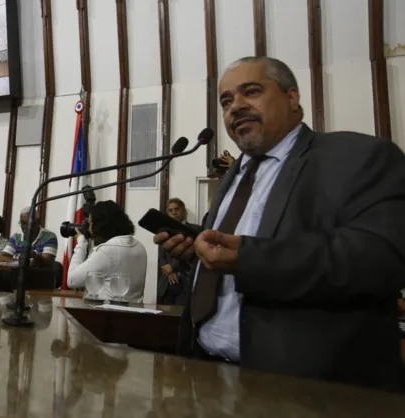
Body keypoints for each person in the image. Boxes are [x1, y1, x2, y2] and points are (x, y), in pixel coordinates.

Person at [155, 56, 405, 391]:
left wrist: (248, 259)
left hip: (303, 391)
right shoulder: (234, 175)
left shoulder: (359, 157)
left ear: (292, 97)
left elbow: (379, 259)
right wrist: (197, 256)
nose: (235, 107)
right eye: (226, 101)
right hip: (204, 375)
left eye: (252, 92)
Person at [66, 201, 147, 302]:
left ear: (99, 226)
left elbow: (72, 280)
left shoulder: (107, 251)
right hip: (135, 313)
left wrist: (81, 243)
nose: (90, 230)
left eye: (90, 224)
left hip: (106, 313)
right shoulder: (140, 247)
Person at [159, 198, 203, 305]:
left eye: (177, 209)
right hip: (166, 284)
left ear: (184, 210)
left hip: (186, 281)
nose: (174, 213)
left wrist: (172, 267)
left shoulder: (196, 230)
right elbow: (162, 256)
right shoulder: (163, 232)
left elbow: (195, 255)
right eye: (170, 210)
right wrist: (166, 268)